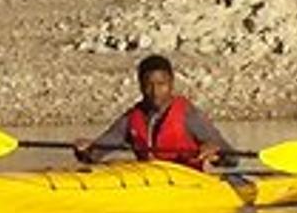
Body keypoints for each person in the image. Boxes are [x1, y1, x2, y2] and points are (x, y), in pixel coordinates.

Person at [73, 54, 232, 170]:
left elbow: (232, 157)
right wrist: (85, 150)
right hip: (150, 184)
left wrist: (217, 153)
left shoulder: (190, 115)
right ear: (141, 86)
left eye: (161, 84)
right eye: (149, 85)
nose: (155, 91)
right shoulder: (130, 119)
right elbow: (95, 154)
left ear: (171, 83)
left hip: (190, 185)